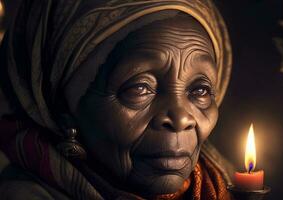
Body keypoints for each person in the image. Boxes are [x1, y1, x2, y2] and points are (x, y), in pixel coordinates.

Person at [0, 0, 234, 199]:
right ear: (62, 106)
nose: (181, 118)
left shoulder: (221, 184)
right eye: (140, 88)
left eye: (200, 91)